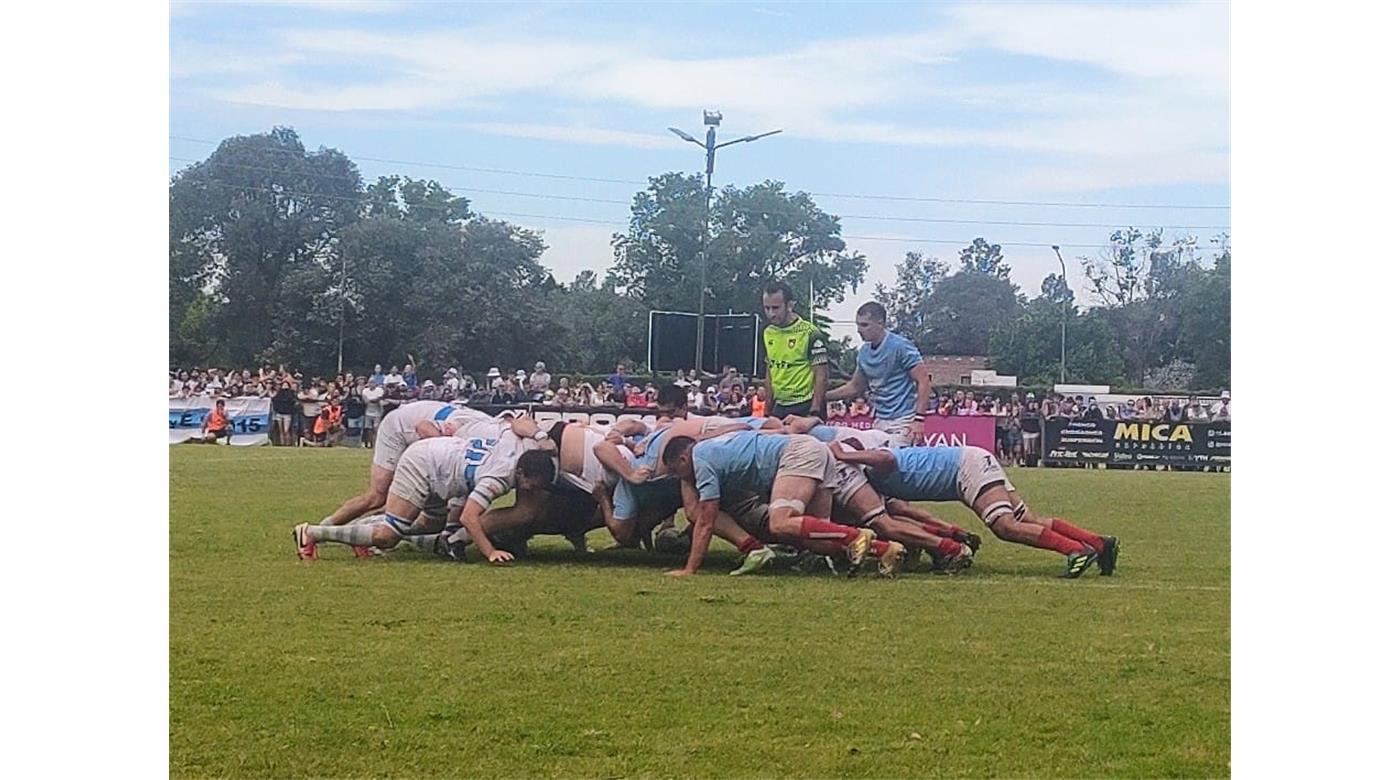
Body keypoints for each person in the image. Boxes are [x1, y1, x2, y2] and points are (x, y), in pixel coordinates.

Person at [829, 442, 1117, 579]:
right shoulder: (876, 478)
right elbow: (908, 512)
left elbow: (885, 458)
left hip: (965, 469)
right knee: (1026, 519)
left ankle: (1075, 551)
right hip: (972, 460)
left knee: (1005, 527)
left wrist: (843, 455)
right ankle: (1097, 543)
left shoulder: (872, 464)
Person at [294, 427, 556, 562]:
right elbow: (469, 517)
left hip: (443, 465)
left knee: (431, 527)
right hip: (425, 464)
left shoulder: (518, 448)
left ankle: (359, 533)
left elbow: (516, 426)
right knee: (387, 537)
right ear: (521, 474)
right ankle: (312, 533)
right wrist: (490, 552)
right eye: (532, 485)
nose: (532, 491)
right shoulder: (500, 477)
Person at [662, 431, 902, 577]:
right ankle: (886, 550)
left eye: (677, 471)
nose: (681, 478)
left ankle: (857, 536)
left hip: (797, 453)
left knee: (780, 523)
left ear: (683, 458)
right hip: (814, 451)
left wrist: (690, 569)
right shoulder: (714, 447)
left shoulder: (700, 459)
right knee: (817, 539)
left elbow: (706, 520)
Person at [826, 302, 929, 448]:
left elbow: (923, 380)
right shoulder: (863, 353)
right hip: (879, 420)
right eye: (858, 325)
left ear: (880, 323)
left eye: (865, 325)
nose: (859, 330)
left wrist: (919, 420)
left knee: (889, 461)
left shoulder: (901, 346)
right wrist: (822, 396)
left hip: (904, 420)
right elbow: (855, 386)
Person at [760, 281, 829, 420]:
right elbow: (770, 369)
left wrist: (814, 410)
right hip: (780, 405)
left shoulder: (810, 333)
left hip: (805, 404)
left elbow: (821, 374)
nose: (771, 314)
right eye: (767, 308)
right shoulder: (768, 332)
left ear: (790, 305)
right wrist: (767, 409)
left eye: (775, 308)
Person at [271, 379, 297, 446]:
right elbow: (274, 399)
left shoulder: (291, 394)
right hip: (279, 413)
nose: (285, 386)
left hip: (287, 414)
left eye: (286, 385)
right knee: (281, 430)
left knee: (286, 430)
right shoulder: (279, 393)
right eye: (283, 385)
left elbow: (293, 402)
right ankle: (282, 443)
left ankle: (288, 444)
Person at [1020, 394, 1042, 467]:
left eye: (1033, 403)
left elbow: (1041, 418)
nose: (1032, 405)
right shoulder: (1024, 411)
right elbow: (1021, 420)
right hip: (1026, 431)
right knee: (1026, 449)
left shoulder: (1037, 412)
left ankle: (1033, 463)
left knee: (1033, 449)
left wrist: (1037, 410)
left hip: (1035, 432)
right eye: (1030, 403)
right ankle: (1026, 461)